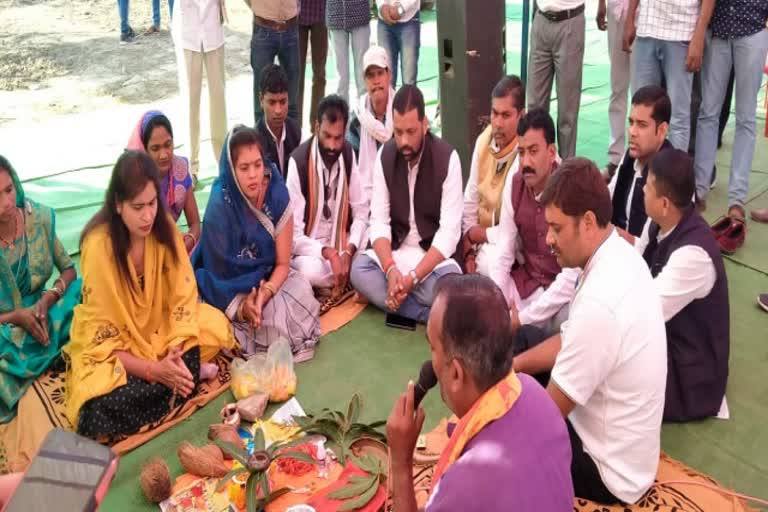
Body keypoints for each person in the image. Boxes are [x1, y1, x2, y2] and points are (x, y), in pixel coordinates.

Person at [512, 158, 667, 504]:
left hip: (607, 470)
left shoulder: (600, 304)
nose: (549, 239)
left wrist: (496, 408)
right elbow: (568, 339)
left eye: (556, 228)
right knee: (519, 346)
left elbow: (547, 418)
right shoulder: (618, 254)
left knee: (512, 421)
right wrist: (516, 366)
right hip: (625, 447)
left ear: (587, 223)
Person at [64, 151, 234, 439]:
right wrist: (155, 371)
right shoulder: (98, 247)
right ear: (118, 205)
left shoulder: (163, 227)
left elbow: (182, 294)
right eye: (137, 206)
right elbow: (103, 337)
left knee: (214, 326)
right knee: (94, 407)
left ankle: (178, 377)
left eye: (153, 203)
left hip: (162, 332)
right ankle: (179, 383)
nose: (148, 215)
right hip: (119, 347)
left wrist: (175, 351)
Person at [386, 274, 574, 512]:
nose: (430, 362)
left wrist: (401, 462)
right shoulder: (535, 392)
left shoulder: (464, 487)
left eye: (433, 348)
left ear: (456, 374)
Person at [193, 127, 321, 361]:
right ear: (231, 170)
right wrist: (244, 308)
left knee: (301, 291)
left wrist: (265, 294)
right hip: (229, 290)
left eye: (257, 165)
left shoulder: (276, 192)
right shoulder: (219, 209)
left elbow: (283, 263)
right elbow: (217, 276)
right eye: (244, 168)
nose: (253, 175)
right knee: (217, 326)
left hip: (267, 280)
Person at [350, 85, 463, 323]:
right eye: (398, 132)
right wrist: (391, 271)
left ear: (425, 124)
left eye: (411, 131)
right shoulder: (386, 156)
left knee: (453, 292)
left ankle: (392, 301)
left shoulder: (448, 158)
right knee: (359, 270)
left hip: (434, 263)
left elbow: (449, 234)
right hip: (396, 256)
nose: (404, 141)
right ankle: (430, 315)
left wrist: (412, 278)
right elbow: (379, 221)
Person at [638, 149, 729, 422]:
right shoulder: (661, 221)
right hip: (666, 344)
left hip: (689, 376)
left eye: (648, 186)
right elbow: (635, 259)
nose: (642, 189)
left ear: (664, 203)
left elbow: (643, 315)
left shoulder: (694, 255)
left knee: (608, 377)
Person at [0, 156, 80, 423]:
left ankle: (45, 354)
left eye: (9, 190)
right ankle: (48, 356)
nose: (7, 203)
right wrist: (16, 317)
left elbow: (69, 270)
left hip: (46, 312)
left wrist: (49, 298)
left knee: (83, 294)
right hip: (7, 328)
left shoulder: (39, 219)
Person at [488, 108, 578, 337]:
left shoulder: (569, 188)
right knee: (487, 278)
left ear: (551, 152)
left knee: (570, 317)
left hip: (559, 295)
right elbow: (504, 252)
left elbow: (570, 277)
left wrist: (522, 319)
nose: (525, 161)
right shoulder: (515, 182)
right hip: (527, 286)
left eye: (533, 151)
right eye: (521, 152)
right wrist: (498, 305)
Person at [693, 0, 768, 243]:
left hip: (753, 29)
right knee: (708, 113)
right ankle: (699, 191)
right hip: (718, 32)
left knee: (746, 118)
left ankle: (737, 201)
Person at [286, 95, 369, 297]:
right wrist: (328, 253)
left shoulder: (348, 154)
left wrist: (348, 251)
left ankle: (345, 274)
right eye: (327, 136)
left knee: (372, 237)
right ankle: (349, 277)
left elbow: (361, 211)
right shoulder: (298, 162)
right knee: (309, 272)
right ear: (316, 127)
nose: (332, 146)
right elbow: (294, 236)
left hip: (343, 243)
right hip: (312, 253)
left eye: (338, 137)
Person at [622, 0, 715, 151]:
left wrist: (699, 36)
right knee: (640, 112)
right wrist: (630, 19)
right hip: (646, 29)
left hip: (682, 32)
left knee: (678, 117)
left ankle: (673, 174)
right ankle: (640, 172)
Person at [461, 75, 525, 277]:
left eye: (506, 115)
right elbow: (470, 202)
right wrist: (468, 249)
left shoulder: (526, 154)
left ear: (521, 116)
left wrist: (476, 235)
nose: (497, 123)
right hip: (479, 241)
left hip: (508, 243)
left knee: (492, 263)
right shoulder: (483, 140)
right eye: (494, 113)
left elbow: (512, 232)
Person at [126, 111, 201, 253]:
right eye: (155, 148)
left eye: (168, 144)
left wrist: (189, 242)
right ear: (145, 149)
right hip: (144, 250)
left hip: (175, 245)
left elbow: (195, 223)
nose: (164, 154)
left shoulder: (181, 168)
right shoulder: (135, 180)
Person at [608, 85, 672, 244]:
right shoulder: (630, 157)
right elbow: (608, 196)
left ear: (662, 130)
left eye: (642, 125)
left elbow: (662, 251)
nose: (632, 132)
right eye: (631, 122)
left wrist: (609, 234)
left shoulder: (673, 177)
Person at [171, 0, 227, 182]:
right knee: (190, 101)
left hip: (213, 31)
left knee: (218, 99)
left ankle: (223, 162)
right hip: (188, 33)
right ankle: (190, 167)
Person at [526, 0, 585, 159]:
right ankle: (534, 165)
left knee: (567, 111)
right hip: (541, 17)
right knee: (534, 106)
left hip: (570, 19)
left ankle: (565, 173)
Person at [347, 45, 396, 195]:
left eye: (380, 73)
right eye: (370, 76)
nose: (376, 81)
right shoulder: (357, 118)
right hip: (365, 195)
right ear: (364, 80)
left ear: (389, 75)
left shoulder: (402, 110)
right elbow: (352, 165)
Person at [246, 0, 300, 124]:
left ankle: (292, 140)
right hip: (263, 28)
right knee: (261, 97)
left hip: (291, 28)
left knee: (292, 100)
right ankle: (261, 141)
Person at [596, 0, 631, 179]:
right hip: (616, 9)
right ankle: (615, 159)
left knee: (645, 93)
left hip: (647, 18)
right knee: (617, 86)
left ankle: (642, 160)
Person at [256, 65, 303, 177]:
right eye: (272, 102)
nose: (278, 110)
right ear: (261, 100)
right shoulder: (255, 142)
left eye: (283, 102)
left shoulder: (298, 133)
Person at [327, 0, 371, 103]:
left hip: (360, 13)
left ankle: (364, 114)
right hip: (335, 14)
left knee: (362, 73)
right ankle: (342, 115)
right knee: (341, 77)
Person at [297, 0, 328, 127]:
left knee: (319, 74)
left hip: (320, 13)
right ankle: (295, 125)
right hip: (296, 15)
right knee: (297, 75)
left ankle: (316, 123)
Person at [377, 0, 420, 87]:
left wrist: (401, 8)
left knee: (409, 79)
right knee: (386, 79)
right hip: (384, 21)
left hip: (409, 20)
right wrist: (381, 6)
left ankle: (408, 100)